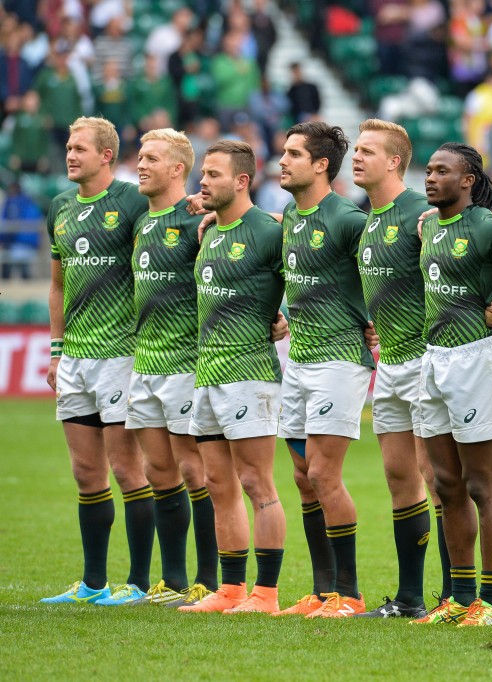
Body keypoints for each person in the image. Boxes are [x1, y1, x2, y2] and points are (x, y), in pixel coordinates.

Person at [41, 116, 155, 606]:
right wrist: (55, 347)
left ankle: (140, 583)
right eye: (68, 147)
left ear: (106, 155)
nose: (70, 155)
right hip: (75, 358)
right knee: (86, 473)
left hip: (120, 354)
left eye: (79, 148)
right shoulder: (60, 207)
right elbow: (57, 283)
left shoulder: (131, 201)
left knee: (128, 470)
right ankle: (92, 583)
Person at [271, 122, 377, 619]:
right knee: (300, 475)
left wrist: (380, 321)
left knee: (323, 473)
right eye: (282, 153)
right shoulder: (291, 215)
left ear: (321, 166)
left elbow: (391, 267)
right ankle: (321, 590)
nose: (283, 161)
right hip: (299, 359)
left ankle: (350, 594)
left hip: (339, 360)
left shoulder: (348, 220)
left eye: (293, 154)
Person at [350, 119, 452, 619]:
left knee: (438, 477)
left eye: (368, 150)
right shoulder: (366, 217)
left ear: (395, 162)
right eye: (356, 149)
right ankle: (410, 598)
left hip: (426, 360)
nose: (357, 156)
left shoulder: (421, 211)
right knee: (398, 477)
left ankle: (457, 596)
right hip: (388, 361)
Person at [179, 140, 286, 614]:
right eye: (203, 173)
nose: (204, 181)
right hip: (207, 373)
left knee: (257, 484)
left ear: (242, 180)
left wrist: (284, 318)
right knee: (218, 485)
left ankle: (266, 593)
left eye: (214, 174)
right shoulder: (210, 230)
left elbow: (308, 278)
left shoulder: (268, 230)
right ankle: (231, 590)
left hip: (250, 374)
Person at [123, 128, 218, 607]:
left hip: (186, 362)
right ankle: (174, 580)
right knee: (158, 471)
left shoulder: (198, 217)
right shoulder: (142, 221)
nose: (139, 165)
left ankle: (208, 579)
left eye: (150, 158)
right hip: (145, 362)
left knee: (192, 470)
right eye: (139, 157)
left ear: (177, 169)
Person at [416, 143, 492, 627]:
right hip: (433, 360)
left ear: (469, 179)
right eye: (429, 170)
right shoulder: (427, 226)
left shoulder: (490, 227)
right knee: (446, 485)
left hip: (476, 358)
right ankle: (459, 596)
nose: (430, 178)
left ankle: (489, 603)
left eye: (442, 171)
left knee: (481, 483)